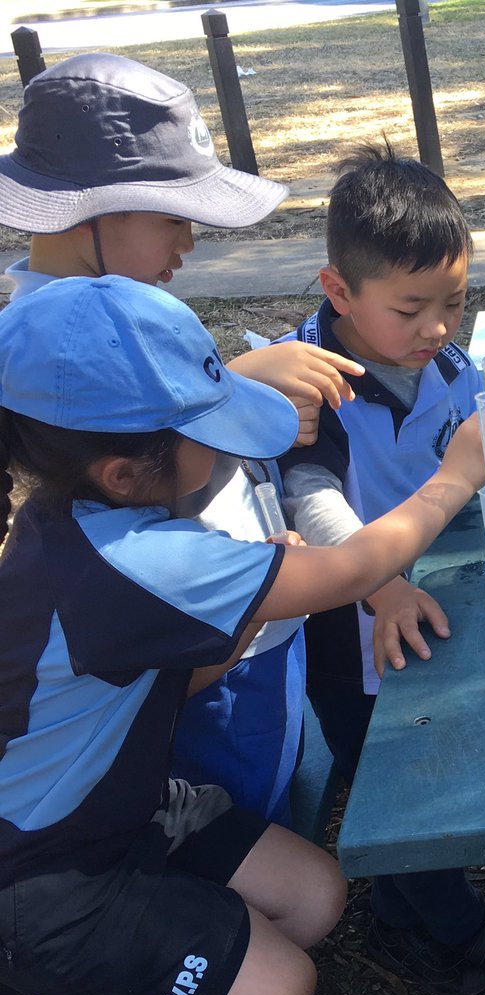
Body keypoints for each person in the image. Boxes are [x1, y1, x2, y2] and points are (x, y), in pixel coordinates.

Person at [0, 274, 485, 995]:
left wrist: (236, 610)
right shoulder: (137, 557)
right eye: (210, 433)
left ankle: (154, 925)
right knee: (281, 992)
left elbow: (146, 679)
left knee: (315, 898)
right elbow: (355, 570)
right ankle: (27, 988)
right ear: (124, 473)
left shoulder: (68, 523)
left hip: (120, 812)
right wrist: (459, 475)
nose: (229, 449)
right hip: (45, 879)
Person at [0, 50, 368, 829]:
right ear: (90, 213)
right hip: (200, 660)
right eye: (174, 218)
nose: (190, 244)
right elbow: (119, 480)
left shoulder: (127, 304)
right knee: (235, 826)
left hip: (259, 619)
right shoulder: (34, 354)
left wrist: (236, 386)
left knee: (287, 791)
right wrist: (239, 377)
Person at [279, 143, 485, 995]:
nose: (438, 327)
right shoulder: (314, 390)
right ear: (339, 293)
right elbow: (309, 498)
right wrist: (379, 584)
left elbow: (469, 428)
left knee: (423, 759)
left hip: (429, 595)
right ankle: (454, 924)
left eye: (454, 304)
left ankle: (403, 914)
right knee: (399, 781)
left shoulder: (439, 362)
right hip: (352, 630)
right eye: (412, 308)